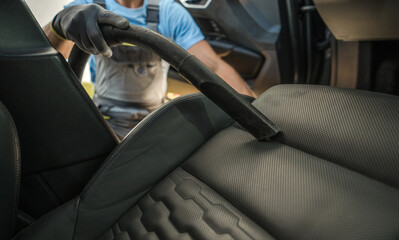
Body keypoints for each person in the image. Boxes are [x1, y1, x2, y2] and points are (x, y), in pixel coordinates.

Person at [44, 0, 255, 139]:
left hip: (154, 122)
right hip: (104, 122)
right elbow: (44, 57)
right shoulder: (87, 6)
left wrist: (254, 112)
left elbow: (213, 67)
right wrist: (58, 27)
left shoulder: (169, 12)